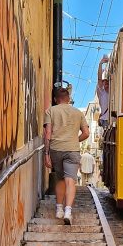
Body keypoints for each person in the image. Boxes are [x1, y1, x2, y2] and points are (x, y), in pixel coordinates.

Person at [44, 87, 90, 225]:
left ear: (55, 99)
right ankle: (68, 211)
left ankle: (59, 209)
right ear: (69, 99)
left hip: (56, 149)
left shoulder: (51, 111)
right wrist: (75, 140)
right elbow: (86, 133)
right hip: (72, 150)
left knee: (60, 179)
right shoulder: (78, 113)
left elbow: (48, 133)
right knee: (70, 180)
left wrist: (46, 154)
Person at [96, 56, 110, 128]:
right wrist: (100, 64)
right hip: (105, 120)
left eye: (107, 83)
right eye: (104, 83)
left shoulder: (111, 93)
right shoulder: (102, 93)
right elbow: (99, 78)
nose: (106, 84)